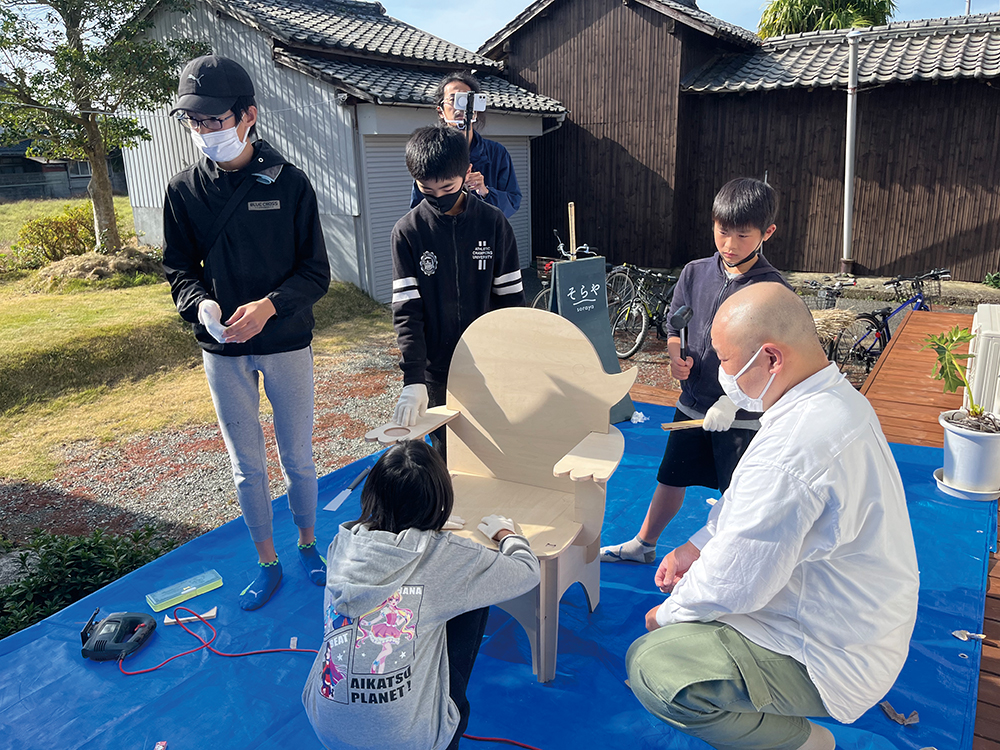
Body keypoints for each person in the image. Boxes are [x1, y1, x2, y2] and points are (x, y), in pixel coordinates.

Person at [626, 282, 920, 750]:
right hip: (856, 621)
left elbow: (737, 580)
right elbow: (747, 505)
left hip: (830, 652)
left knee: (656, 664)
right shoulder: (830, 399)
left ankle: (805, 743)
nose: (720, 375)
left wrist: (667, 616)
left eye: (723, 360)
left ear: (770, 358)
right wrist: (695, 545)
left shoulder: (793, 447)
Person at [162, 55, 331, 611]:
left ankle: (308, 545)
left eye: (215, 120)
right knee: (245, 464)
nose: (206, 132)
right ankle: (266, 560)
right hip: (222, 350)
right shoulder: (184, 190)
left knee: (298, 456)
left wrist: (270, 306)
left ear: (248, 115)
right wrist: (201, 305)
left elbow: (315, 273)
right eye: (195, 122)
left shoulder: (290, 183)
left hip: (286, 343)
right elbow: (178, 268)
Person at [301, 440, 539, 750]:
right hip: (407, 740)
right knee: (473, 598)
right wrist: (507, 534)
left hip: (327, 723)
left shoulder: (343, 543)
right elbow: (527, 571)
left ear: (372, 494)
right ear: (440, 498)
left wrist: (429, 529)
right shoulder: (448, 557)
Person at [601, 177, 790, 564]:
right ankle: (644, 544)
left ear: (766, 233)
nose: (729, 245)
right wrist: (675, 358)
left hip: (743, 416)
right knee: (671, 476)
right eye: (723, 231)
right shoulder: (694, 272)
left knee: (737, 493)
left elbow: (776, 361)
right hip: (692, 403)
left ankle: (729, 565)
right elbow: (674, 327)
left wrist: (735, 404)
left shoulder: (772, 290)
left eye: (742, 235)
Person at [391, 125, 525, 442]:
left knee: (493, 446)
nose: (439, 198)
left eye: (448, 187)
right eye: (427, 191)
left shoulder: (493, 223)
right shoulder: (408, 232)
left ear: (467, 172)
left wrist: (515, 362)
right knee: (445, 452)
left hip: (489, 366)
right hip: (436, 370)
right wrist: (413, 380)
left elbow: (511, 302)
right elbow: (407, 311)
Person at [409, 71, 521, 219]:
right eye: (454, 99)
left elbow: (512, 202)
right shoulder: (430, 151)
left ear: (476, 107)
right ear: (441, 111)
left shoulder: (496, 153)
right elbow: (418, 209)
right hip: (445, 237)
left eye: (467, 100)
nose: (460, 107)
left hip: (485, 236)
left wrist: (485, 191)